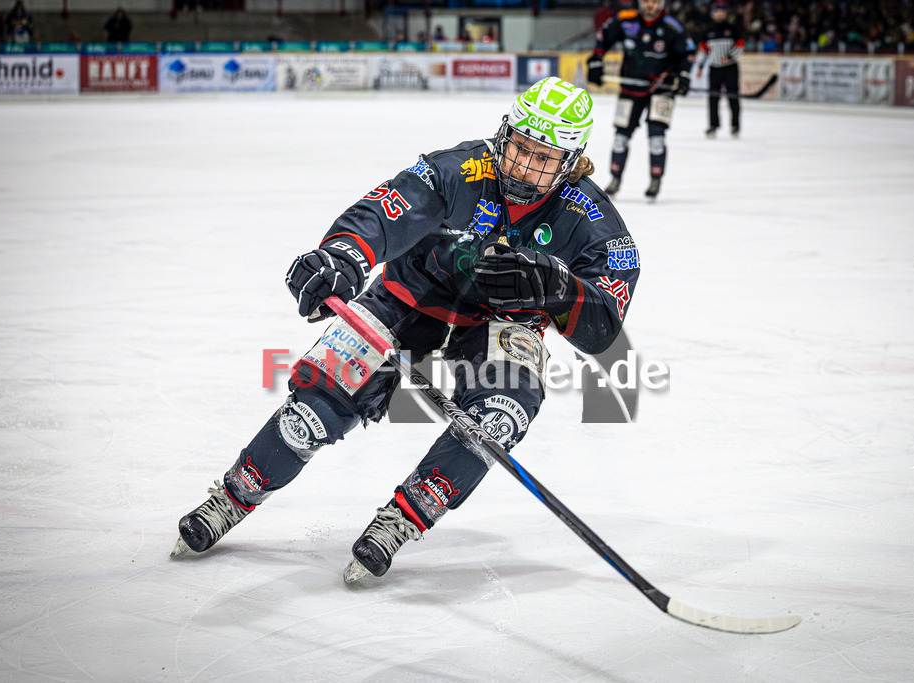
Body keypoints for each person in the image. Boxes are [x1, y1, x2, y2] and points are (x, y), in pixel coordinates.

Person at [171, 77, 640, 584]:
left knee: (501, 414)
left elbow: (602, 328)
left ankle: (403, 518)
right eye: (520, 147)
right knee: (318, 404)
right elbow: (383, 212)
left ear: (571, 162)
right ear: (504, 133)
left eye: (543, 158)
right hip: (411, 299)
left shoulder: (595, 223)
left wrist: (560, 288)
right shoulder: (458, 169)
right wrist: (343, 255)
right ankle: (234, 496)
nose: (524, 166)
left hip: (500, 323)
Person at [586, 0, 694, 200]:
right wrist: (596, 61)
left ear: (661, 4)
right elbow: (603, 37)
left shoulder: (672, 26)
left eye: (654, 1)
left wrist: (684, 75)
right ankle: (615, 178)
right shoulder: (625, 19)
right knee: (621, 137)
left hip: (661, 89)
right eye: (646, 1)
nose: (649, 5)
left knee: (656, 137)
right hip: (631, 88)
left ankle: (655, 180)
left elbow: (687, 53)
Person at [695, 0, 744, 139]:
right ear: (713, 14)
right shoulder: (708, 31)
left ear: (726, 13)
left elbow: (740, 45)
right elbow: (704, 51)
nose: (719, 14)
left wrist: (730, 57)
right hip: (714, 68)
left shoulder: (732, 29)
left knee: (733, 97)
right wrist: (700, 67)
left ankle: (735, 126)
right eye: (717, 12)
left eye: (722, 12)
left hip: (730, 68)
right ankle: (713, 125)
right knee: (713, 98)